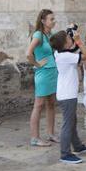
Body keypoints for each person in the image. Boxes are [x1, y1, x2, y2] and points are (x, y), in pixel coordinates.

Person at [49, 28, 86, 164]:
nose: (71, 40)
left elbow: (72, 51)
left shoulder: (58, 53)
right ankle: (65, 153)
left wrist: (71, 35)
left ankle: (77, 146)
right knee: (68, 124)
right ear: (65, 44)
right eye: (69, 39)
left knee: (72, 121)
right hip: (67, 95)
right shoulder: (65, 56)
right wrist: (79, 41)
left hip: (66, 93)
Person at [26, 9, 58, 146]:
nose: (54, 21)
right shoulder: (38, 34)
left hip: (53, 72)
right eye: (51, 19)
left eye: (53, 18)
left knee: (51, 104)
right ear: (43, 21)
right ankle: (35, 138)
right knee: (38, 105)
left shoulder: (51, 34)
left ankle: (51, 134)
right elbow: (28, 53)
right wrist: (37, 64)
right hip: (43, 73)